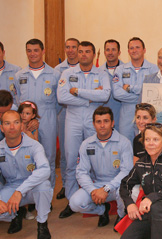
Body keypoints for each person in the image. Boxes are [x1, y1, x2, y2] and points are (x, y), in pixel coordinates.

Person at [57, 41, 111, 218]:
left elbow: (105, 95)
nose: (83, 54)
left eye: (87, 51)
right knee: (72, 160)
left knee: (96, 160)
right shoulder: (67, 73)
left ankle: (98, 198)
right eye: (80, 51)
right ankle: (71, 200)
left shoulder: (101, 73)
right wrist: (89, 98)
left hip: (93, 120)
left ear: (93, 54)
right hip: (72, 120)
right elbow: (61, 96)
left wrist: (78, 91)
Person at [0, 111, 52, 239]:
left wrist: (20, 191)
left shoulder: (34, 146)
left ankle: (42, 224)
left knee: (44, 186)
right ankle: (15, 214)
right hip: (11, 187)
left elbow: (44, 170)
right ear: (2, 128)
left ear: (21, 126)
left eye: (16, 122)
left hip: (32, 187)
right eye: (7, 123)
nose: (12, 127)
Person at [68, 106, 132, 227]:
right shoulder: (86, 144)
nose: (102, 125)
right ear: (93, 124)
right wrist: (93, 190)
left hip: (118, 185)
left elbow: (126, 171)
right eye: (98, 122)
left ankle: (121, 215)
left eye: (106, 121)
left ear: (112, 123)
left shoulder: (124, 143)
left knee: (125, 192)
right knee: (75, 203)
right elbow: (81, 172)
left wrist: (107, 188)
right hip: (97, 186)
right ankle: (103, 210)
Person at [15, 38, 60, 189]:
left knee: (48, 158)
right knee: (27, 157)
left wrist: (43, 117)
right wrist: (25, 121)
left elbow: (59, 102)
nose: (32, 54)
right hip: (24, 123)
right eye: (29, 50)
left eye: (36, 50)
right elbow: (17, 100)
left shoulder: (55, 74)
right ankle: (29, 195)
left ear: (43, 51)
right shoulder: (20, 75)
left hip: (48, 120)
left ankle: (47, 193)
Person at [113, 37, 159, 140]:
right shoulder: (120, 69)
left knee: (147, 144)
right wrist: (143, 95)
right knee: (126, 145)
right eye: (131, 48)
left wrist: (130, 88)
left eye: (137, 47)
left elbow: (154, 92)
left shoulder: (154, 69)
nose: (134, 50)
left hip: (147, 116)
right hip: (127, 116)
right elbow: (117, 93)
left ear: (144, 50)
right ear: (128, 51)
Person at [54, 38, 80, 200]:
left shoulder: (87, 67)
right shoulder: (58, 70)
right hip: (63, 114)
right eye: (67, 47)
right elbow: (61, 96)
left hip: (83, 114)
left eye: (74, 47)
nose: (70, 50)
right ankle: (65, 185)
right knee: (66, 153)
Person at [98, 39, 124, 131]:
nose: (110, 52)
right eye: (108, 50)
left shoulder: (127, 70)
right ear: (104, 52)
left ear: (119, 52)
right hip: (104, 117)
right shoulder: (98, 72)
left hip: (123, 115)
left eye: (113, 50)